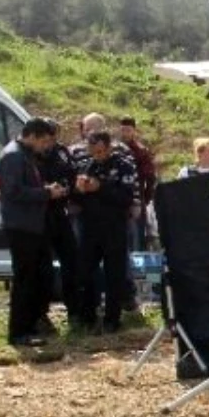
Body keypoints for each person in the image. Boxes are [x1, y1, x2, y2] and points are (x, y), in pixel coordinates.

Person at [0, 118, 64, 346]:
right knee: (24, 280)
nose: (45, 146)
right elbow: (13, 191)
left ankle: (31, 324)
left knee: (37, 277)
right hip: (20, 226)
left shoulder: (25, 155)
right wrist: (45, 193)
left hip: (32, 226)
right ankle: (18, 332)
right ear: (32, 136)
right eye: (43, 141)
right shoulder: (13, 156)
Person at [72, 130, 137, 334]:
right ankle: (87, 317)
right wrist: (79, 190)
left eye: (101, 151)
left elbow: (126, 198)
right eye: (94, 152)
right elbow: (76, 200)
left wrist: (101, 187)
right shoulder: (86, 166)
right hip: (90, 228)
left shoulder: (123, 166)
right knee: (85, 273)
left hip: (114, 227)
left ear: (109, 147)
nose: (98, 156)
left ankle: (112, 320)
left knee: (114, 275)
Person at [35, 118, 82, 332]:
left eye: (54, 138)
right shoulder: (30, 155)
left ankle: (75, 310)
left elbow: (72, 174)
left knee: (71, 261)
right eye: (48, 138)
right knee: (43, 267)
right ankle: (41, 314)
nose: (51, 143)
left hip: (61, 213)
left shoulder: (62, 152)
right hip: (41, 214)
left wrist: (71, 192)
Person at [119, 116, 157, 252]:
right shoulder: (114, 149)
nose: (125, 133)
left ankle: (138, 273)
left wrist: (145, 199)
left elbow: (150, 177)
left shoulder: (141, 151)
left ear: (134, 131)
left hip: (136, 200)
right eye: (122, 130)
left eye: (128, 130)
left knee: (137, 241)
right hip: (118, 201)